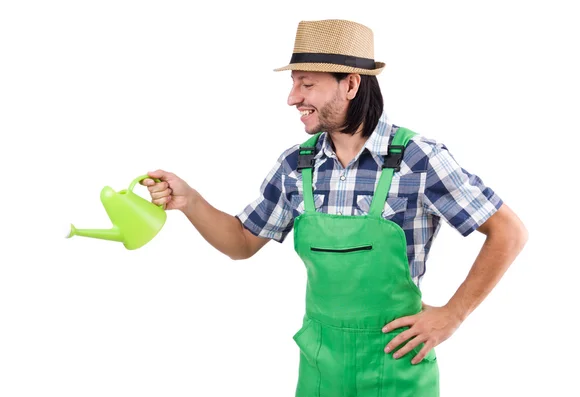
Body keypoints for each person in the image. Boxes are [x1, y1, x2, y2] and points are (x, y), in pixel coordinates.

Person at [142, 19, 528, 397]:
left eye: (307, 84)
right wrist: (189, 200)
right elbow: (241, 242)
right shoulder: (297, 166)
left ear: (352, 84)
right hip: (320, 370)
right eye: (294, 83)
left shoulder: (418, 159)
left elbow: (509, 231)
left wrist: (452, 315)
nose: (293, 98)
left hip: (396, 368)